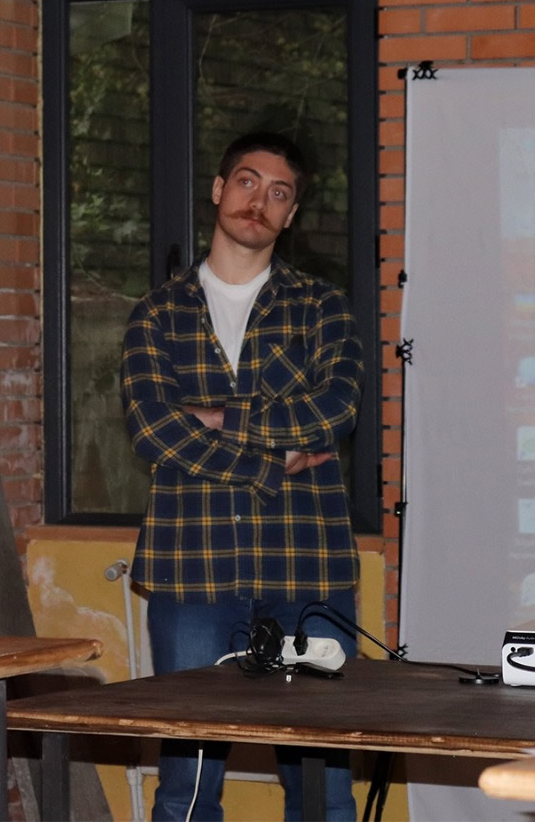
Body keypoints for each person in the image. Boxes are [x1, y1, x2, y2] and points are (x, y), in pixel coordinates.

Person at [119, 132, 363, 822]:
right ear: (219, 190)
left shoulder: (324, 309)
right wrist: (269, 462)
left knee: (322, 790)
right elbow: (154, 430)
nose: (260, 200)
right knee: (187, 790)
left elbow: (336, 410)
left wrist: (220, 418)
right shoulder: (156, 315)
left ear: (290, 215)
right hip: (191, 575)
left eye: (279, 193)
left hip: (310, 573)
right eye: (248, 182)